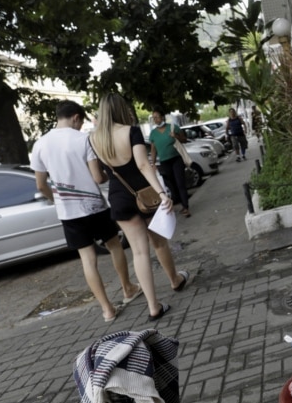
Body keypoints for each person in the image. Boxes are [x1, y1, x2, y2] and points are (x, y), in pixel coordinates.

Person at [30, 100, 142, 323]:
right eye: (80, 122)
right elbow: (98, 177)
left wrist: (58, 199)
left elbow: (41, 185)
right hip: (94, 206)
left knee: (87, 259)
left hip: (68, 213)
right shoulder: (84, 139)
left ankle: (107, 309)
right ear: (75, 117)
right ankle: (128, 288)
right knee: (113, 245)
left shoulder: (40, 145)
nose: (80, 126)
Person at [90, 93, 190, 321]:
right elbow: (144, 165)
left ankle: (153, 307)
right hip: (145, 195)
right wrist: (162, 194)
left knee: (138, 252)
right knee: (158, 241)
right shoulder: (131, 131)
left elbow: (99, 175)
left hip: (119, 197)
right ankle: (175, 280)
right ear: (120, 109)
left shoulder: (93, 139)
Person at [149, 107, 190, 217]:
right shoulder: (153, 133)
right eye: (154, 118)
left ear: (162, 117)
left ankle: (186, 206)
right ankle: (180, 203)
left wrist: (175, 136)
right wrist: (153, 164)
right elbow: (153, 149)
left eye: (157, 117)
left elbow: (184, 139)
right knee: (172, 184)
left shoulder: (172, 127)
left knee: (180, 182)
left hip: (176, 159)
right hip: (164, 162)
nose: (156, 119)